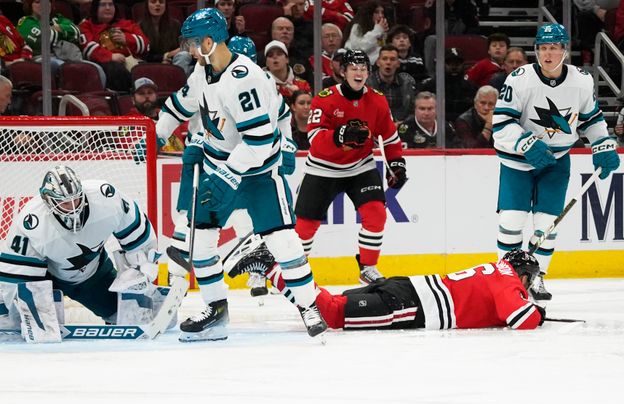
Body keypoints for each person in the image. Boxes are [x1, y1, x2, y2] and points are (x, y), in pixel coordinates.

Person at [160, 8, 325, 341]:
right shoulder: (201, 70)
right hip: (219, 165)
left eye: (193, 43)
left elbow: (261, 141)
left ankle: (309, 306)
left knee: (282, 240)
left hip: (259, 174)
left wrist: (230, 173)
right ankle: (216, 309)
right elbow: (182, 104)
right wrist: (155, 134)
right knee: (201, 241)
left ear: (209, 41)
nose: (189, 50)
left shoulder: (244, 78)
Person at [492, 22, 620, 303]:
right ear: (536, 50)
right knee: (511, 221)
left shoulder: (582, 80)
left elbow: (591, 119)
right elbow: (500, 123)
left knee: (547, 224)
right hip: (518, 162)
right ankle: (507, 278)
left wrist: (602, 144)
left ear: (565, 50)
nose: (548, 54)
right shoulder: (520, 78)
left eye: (554, 48)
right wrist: (526, 143)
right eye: (543, 48)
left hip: (557, 161)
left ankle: (536, 276)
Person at [225, 243, 545, 331]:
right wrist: (539, 312)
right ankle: (271, 266)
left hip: (407, 290)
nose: (527, 287)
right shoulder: (507, 277)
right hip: (408, 307)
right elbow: (521, 319)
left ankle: (272, 268)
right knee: (331, 314)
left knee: (327, 305)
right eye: (528, 280)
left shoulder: (494, 269)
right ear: (523, 273)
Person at [298, 49, 407, 285]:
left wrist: (397, 164)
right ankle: (296, 270)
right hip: (322, 168)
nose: (359, 73)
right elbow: (315, 139)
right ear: (343, 72)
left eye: (363, 69)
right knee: (305, 226)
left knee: (376, 214)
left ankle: (368, 267)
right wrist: (339, 136)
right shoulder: (325, 98)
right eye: (354, 69)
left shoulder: (377, 99)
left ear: (369, 72)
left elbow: (389, 138)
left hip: (360, 166)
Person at [0, 165, 158, 324]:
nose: (74, 208)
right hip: (46, 279)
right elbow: (17, 276)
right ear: (48, 200)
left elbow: (139, 238)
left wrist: (142, 269)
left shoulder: (106, 197)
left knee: (130, 317)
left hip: (93, 276)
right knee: (29, 320)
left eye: (76, 199)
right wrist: (23, 311)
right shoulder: (32, 222)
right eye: (65, 203)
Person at [79, 0, 149, 92]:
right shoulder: (86, 25)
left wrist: (126, 39)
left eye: (110, 4)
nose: (108, 8)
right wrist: (110, 56)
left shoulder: (128, 24)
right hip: (105, 63)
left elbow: (146, 45)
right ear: (96, 8)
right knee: (115, 69)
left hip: (131, 60)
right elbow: (88, 48)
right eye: (103, 5)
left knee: (146, 69)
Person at [17, 0, 83, 68]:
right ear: (30, 6)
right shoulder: (26, 22)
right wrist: (64, 32)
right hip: (39, 59)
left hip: (68, 56)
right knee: (61, 66)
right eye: (37, 2)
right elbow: (45, 39)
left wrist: (58, 28)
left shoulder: (58, 18)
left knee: (91, 66)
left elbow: (76, 31)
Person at [421, 47, 477, 123]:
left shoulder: (471, 87)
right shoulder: (430, 86)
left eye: (458, 63)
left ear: (463, 65)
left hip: (465, 123)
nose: (454, 67)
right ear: (442, 64)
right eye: (450, 63)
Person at [137, 0, 193, 75]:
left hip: (174, 62)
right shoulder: (139, 27)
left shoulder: (175, 25)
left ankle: (179, 83)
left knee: (184, 55)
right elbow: (143, 55)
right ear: (147, 5)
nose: (157, 4)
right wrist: (165, 57)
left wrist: (170, 58)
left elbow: (185, 46)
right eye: (153, 2)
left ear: (165, 5)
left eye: (161, 2)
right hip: (149, 64)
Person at [366, 45, 416, 125]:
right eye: (384, 59)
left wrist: (402, 124)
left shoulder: (406, 84)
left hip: (401, 128)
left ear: (398, 63)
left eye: (392, 59)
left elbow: (412, 112)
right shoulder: (366, 84)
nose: (388, 62)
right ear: (378, 62)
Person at [270, 16, 313, 84]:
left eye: (288, 29)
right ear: (272, 32)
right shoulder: (262, 57)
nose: (285, 31)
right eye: (280, 29)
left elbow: (311, 84)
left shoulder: (301, 57)